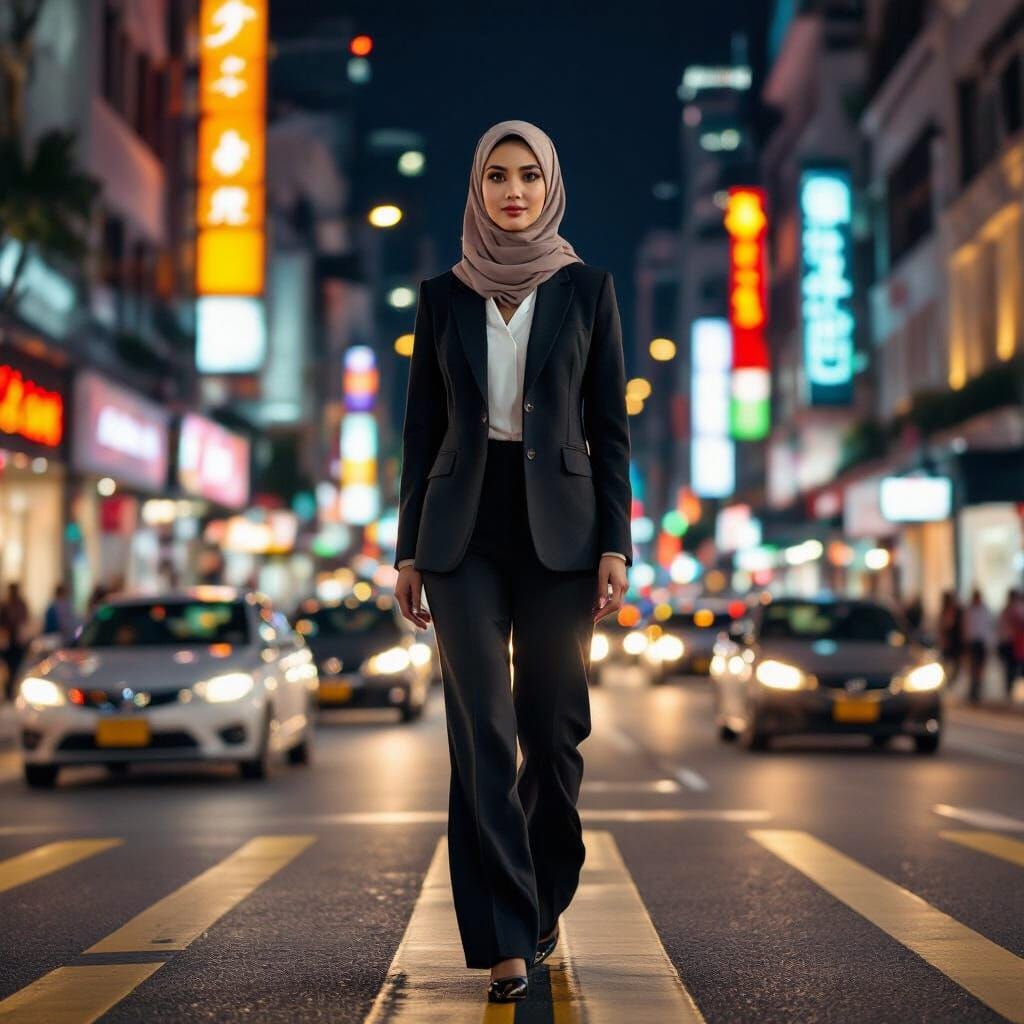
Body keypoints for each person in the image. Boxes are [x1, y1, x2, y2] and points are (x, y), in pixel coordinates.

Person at [392, 120, 632, 1004]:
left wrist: (616, 542)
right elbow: (420, 431)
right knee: (482, 733)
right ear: (477, 188)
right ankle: (504, 937)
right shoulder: (441, 295)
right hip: (460, 533)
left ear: (550, 185)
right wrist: (408, 548)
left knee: (554, 730)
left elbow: (610, 430)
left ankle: (541, 894)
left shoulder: (588, 289)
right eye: (497, 175)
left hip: (563, 535)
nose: (513, 190)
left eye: (529, 175)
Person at [962, 589, 995, 705]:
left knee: (980, 669)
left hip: (982, 643)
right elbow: (966, 627)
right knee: (972, 668)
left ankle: (978, 692)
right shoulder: (969, 610)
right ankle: (973, 692)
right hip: (972, 643)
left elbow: (988, 627)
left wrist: (989, 643)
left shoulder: (985, 610)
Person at [0, 582, 31, 701]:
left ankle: (12, 690)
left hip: (18, 641)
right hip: (8, 641)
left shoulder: (20, 605)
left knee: (16, 667)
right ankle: (9, 690)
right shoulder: (6, 605)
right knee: (9, 667)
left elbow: (25, 620)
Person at [997, 589, 1024, 700]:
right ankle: (1011, 692)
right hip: (1013, 642)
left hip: (1011, 642)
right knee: (1012, 668)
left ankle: (1010, 691)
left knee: (1011, 669)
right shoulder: (1014, 609)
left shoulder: (1006, 609)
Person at [938, 591, 963, 689]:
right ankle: (947, 683)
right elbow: (942, 628)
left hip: (955, 642)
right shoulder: (944, 612)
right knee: (947, 664)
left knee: (956, 665)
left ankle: (950, 683)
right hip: (947, 643)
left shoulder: (957, 612)